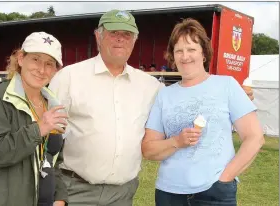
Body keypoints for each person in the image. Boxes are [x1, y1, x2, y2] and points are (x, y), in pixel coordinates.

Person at [50, 10, 255, 206]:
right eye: (113, 33)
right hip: (75, 189)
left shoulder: (150, 86)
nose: (120, 39)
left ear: (134, 40)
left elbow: (194, 96)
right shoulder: (69, 78)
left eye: (126, 34)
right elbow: (46, 138)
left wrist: (226, 177)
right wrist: (53, 189)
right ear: (98, 36)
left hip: (122, 194)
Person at [142, 18, 264, 206]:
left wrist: (225, 178)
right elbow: (148, 149)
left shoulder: (227, 85)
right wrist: (176, 141)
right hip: (169, 194)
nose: (185, 56)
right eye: (179, 51)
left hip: (214, 193)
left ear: (204, 54)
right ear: (172, 56)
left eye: (191, 49)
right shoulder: (164, 95)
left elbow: (254, 137)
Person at [0, 31, 69, 206]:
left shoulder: (53, 103)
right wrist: (38, 129)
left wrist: (60, 196)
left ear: (56, 70)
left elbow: (53, 159)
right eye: (35, 59)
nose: (41, 69)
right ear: (21, 58)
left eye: (49, 64)